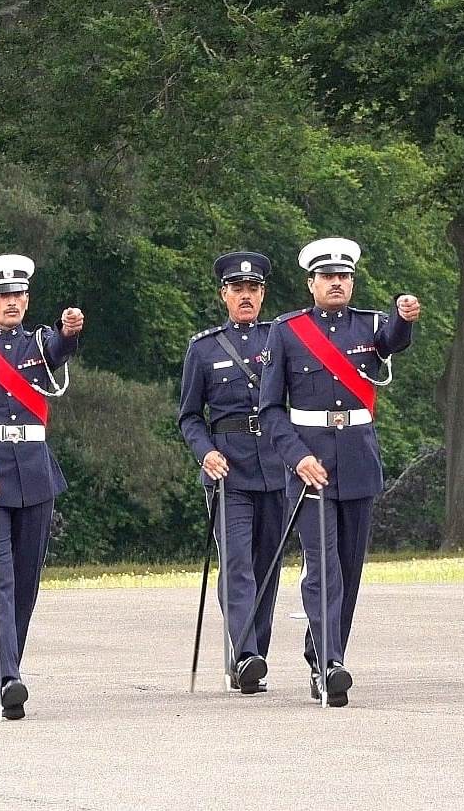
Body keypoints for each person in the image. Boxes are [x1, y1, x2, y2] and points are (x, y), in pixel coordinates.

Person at [258, 237, 421, 706]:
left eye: (344, 277)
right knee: (323, 566)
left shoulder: (370, 326)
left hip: (356, 459)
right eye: (328, 277)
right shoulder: (288, 332)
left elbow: (392, 339)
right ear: (312, 283)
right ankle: (331, 664)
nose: (337, 284)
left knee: (348, 569)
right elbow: (270, 411)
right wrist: (297, 456)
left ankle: (323, 654)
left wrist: (403, 315)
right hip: (309, 463)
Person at [0, 254, 84, 720]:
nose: (11, 302)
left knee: (25, 582)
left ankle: (4, 672)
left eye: (18, 295)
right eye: (2, 295)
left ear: (27, 299)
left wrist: (69, 331)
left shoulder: (40, 345)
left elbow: (61, 350)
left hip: (34, 476)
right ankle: (9, 679)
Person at [177, 251, 286, 694]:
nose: (246, 296)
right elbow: (189, 416)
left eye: (253, 289)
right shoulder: (203, 348)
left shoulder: (281, 339)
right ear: (224, 295)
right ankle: (245, 654)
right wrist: (205, 453)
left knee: (268, 566)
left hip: (276, 467)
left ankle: (254, 654)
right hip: (229, 470)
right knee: (238, 564)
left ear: (262, 295)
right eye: (238, 289)